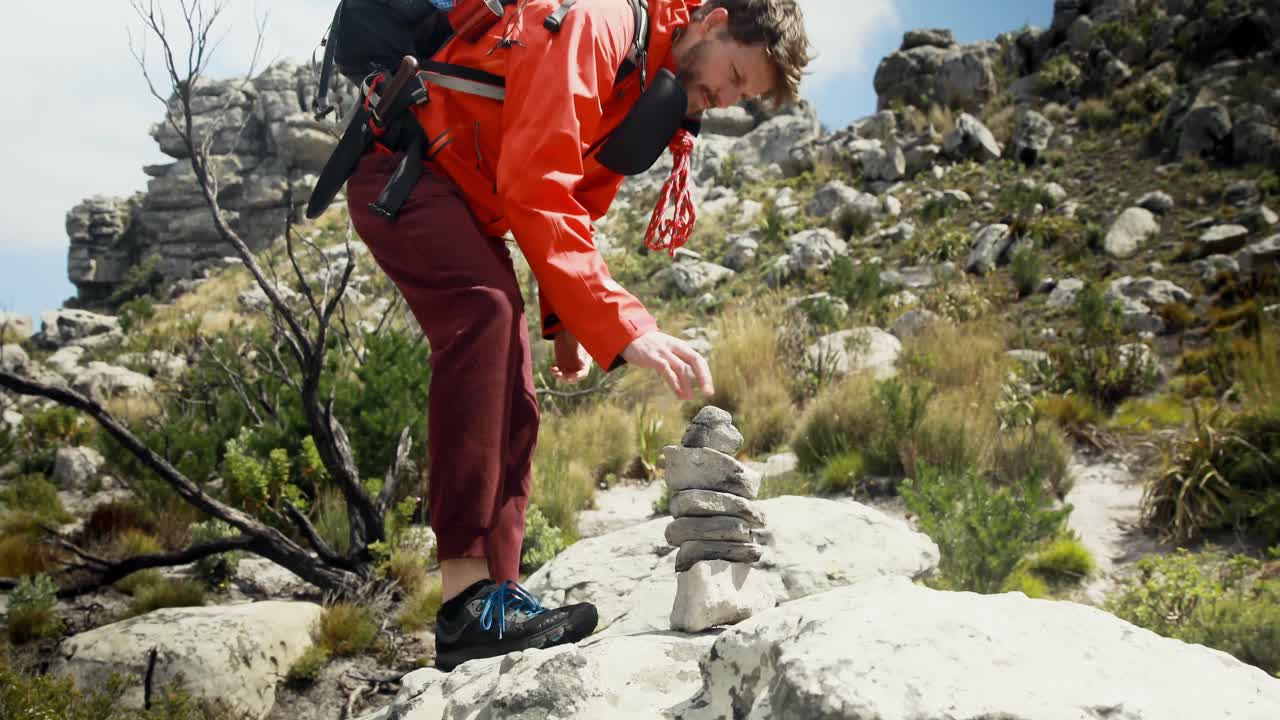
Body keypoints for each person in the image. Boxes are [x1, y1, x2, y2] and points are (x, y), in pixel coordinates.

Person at [344, 0, 811, 671]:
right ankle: (465, 603)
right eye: (735, 76)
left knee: (515, 386)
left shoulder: (651, 80)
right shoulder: (599, 22)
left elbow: (579, 199)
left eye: (745, 95)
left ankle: (495, 601)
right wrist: (624, 327)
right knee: (486, 317)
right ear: (711, 22)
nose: (728, 99)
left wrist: (566, 326)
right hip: (402, 166)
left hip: (462, 194)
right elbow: (538, 182)